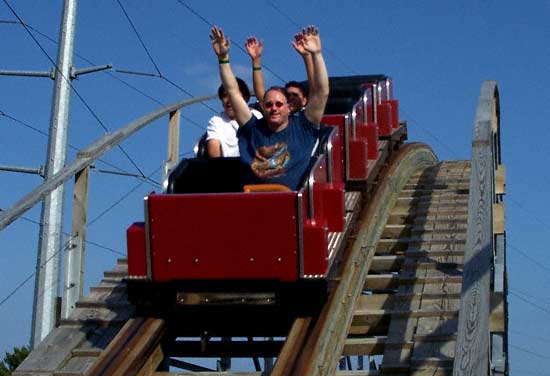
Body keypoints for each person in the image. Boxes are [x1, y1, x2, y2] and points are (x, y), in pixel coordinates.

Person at [210, 25, 329, 190]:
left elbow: (322, 92)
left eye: (279, 104)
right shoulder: (252, 128)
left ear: (288, 107)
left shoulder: (303, 128)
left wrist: (316, 55)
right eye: (269, 105)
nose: (274, 108)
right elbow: (232, 92)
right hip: (252, 202)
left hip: (290, 205)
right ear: (262, 108)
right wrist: (223, 58)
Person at [245, 32, 315, 114]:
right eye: (287, 95)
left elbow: (315, 90)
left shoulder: (307, 118)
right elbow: (260, 94)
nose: (291, 98)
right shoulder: (275, 115)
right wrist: (256, 60)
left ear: (304, 100)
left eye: (295, 95)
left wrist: (307, 56)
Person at [206, 77, 262, 158]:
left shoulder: (256, 116)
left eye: (232, 95)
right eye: (225, 96)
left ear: (245, 98)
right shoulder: (216, 121)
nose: (229, 100)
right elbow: (214, 153)